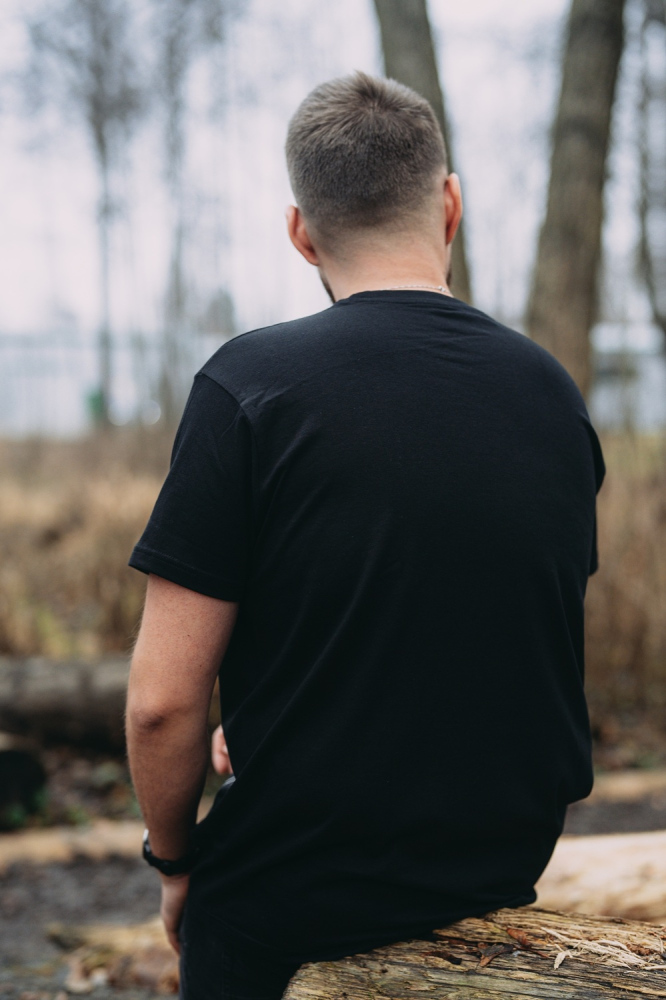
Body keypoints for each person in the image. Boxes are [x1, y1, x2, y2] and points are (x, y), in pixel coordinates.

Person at [126, 71, 605, 1000]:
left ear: (301, 233)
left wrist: (174, 861)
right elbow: (498, 637)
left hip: (283, 911)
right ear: (450, 203)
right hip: (490, 887)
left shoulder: (249, 387)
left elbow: (160, 705)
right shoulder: (552, 395)